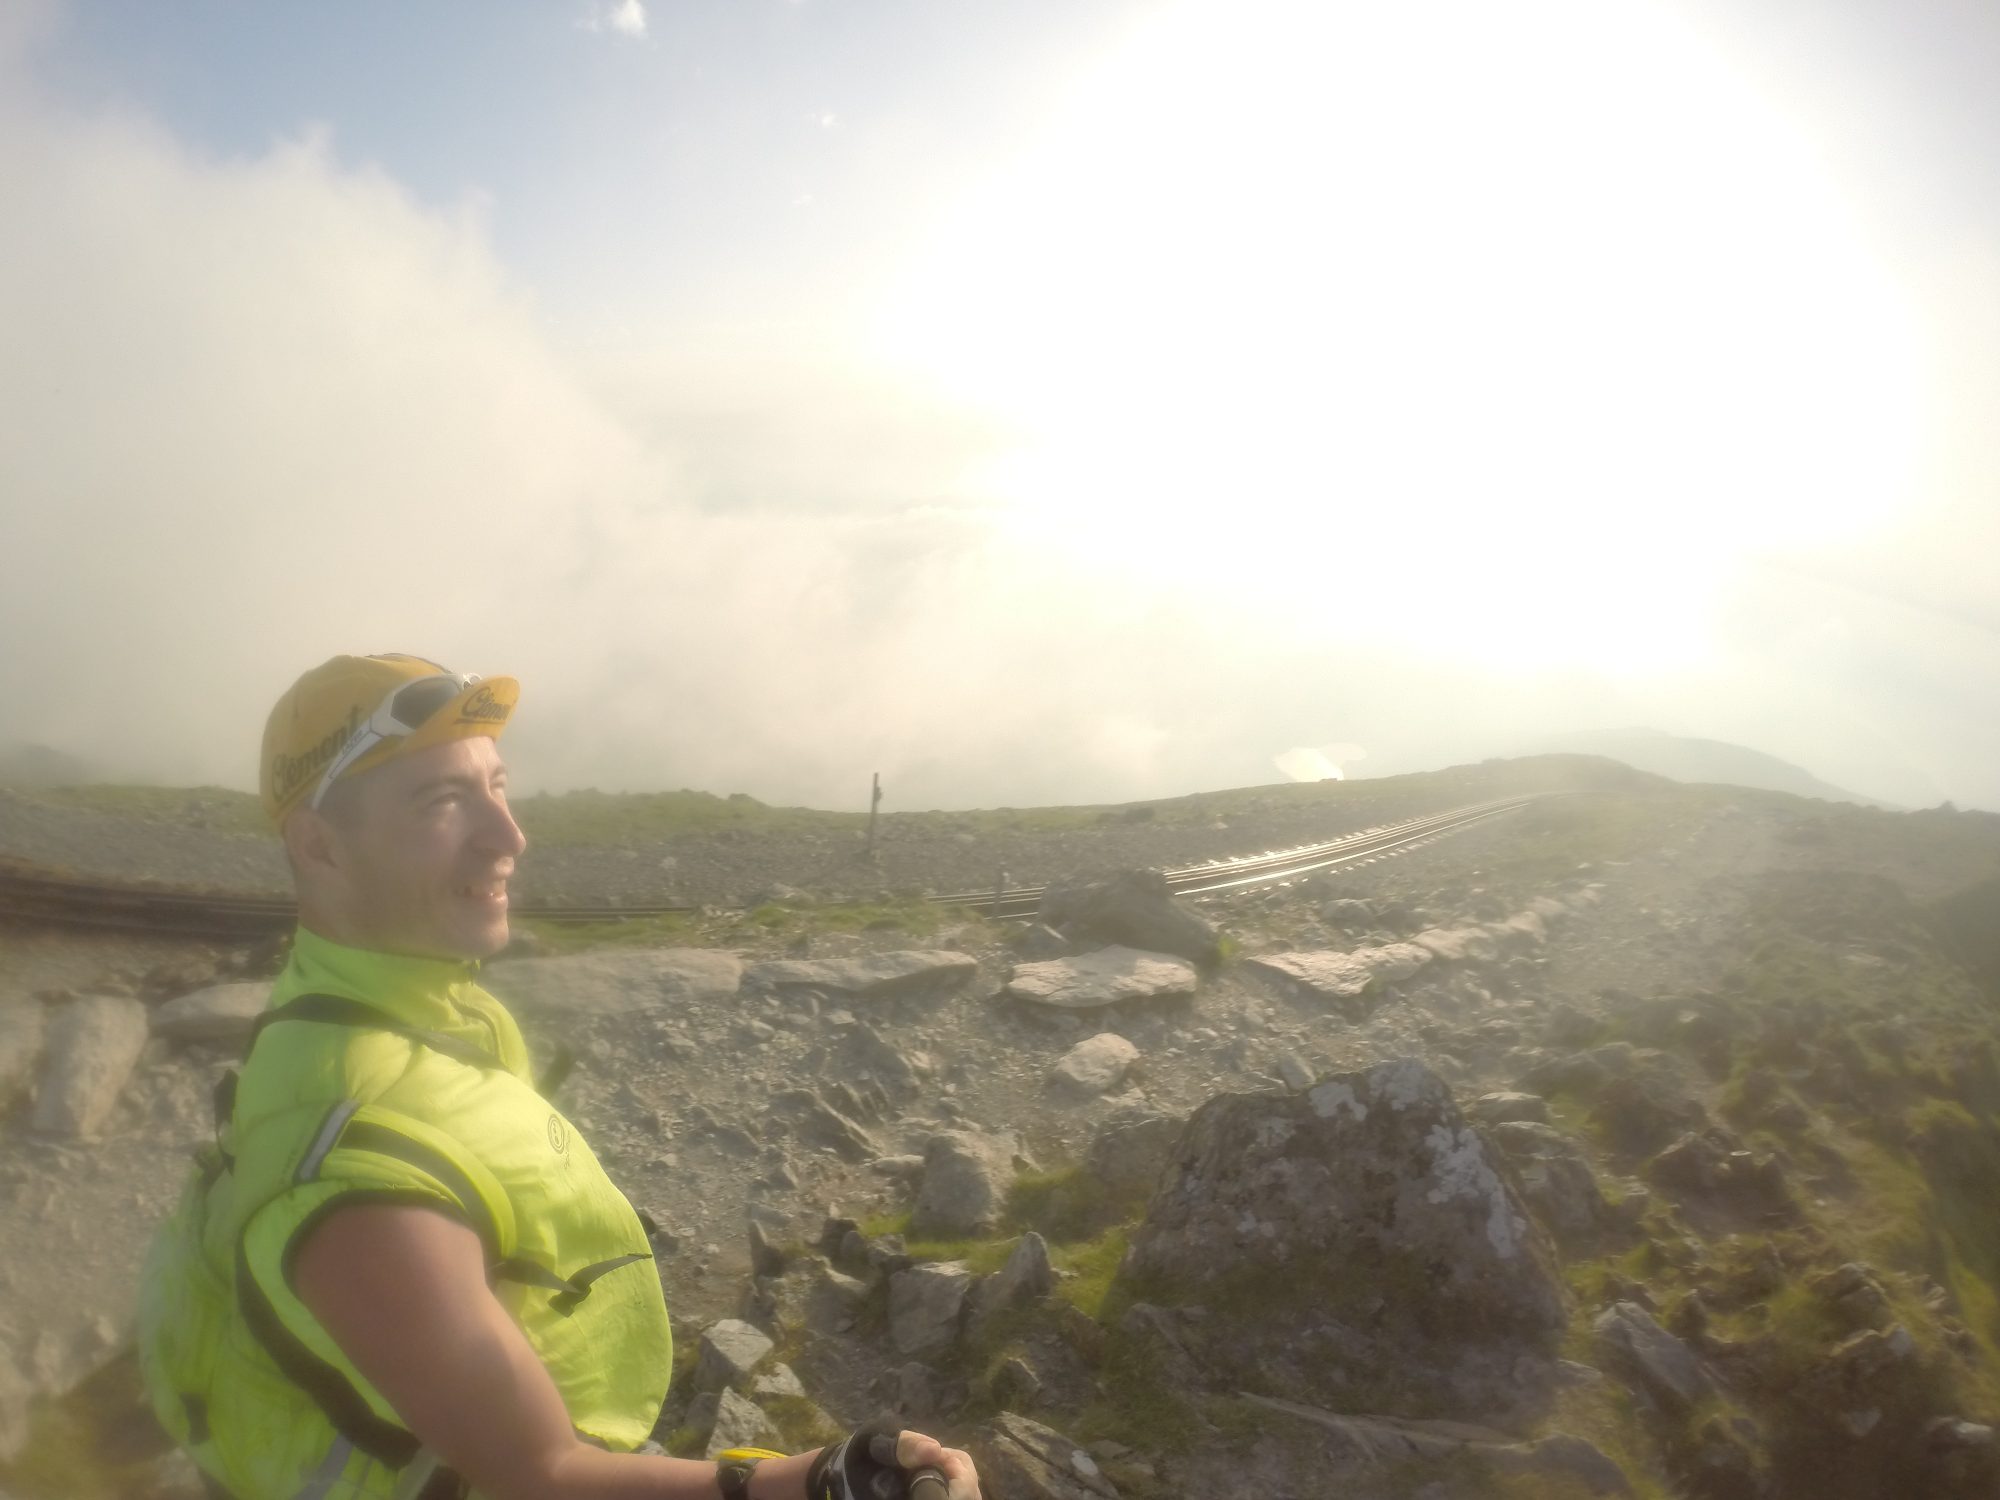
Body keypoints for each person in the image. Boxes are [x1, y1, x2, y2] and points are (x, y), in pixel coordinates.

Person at [138, 654, 982, 1500]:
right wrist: (816, 1482)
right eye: (442, 801)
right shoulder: (361, 1175)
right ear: (318, 845)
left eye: (496, 785)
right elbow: (538, 1476)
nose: (509, 837)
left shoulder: (380, 1003)